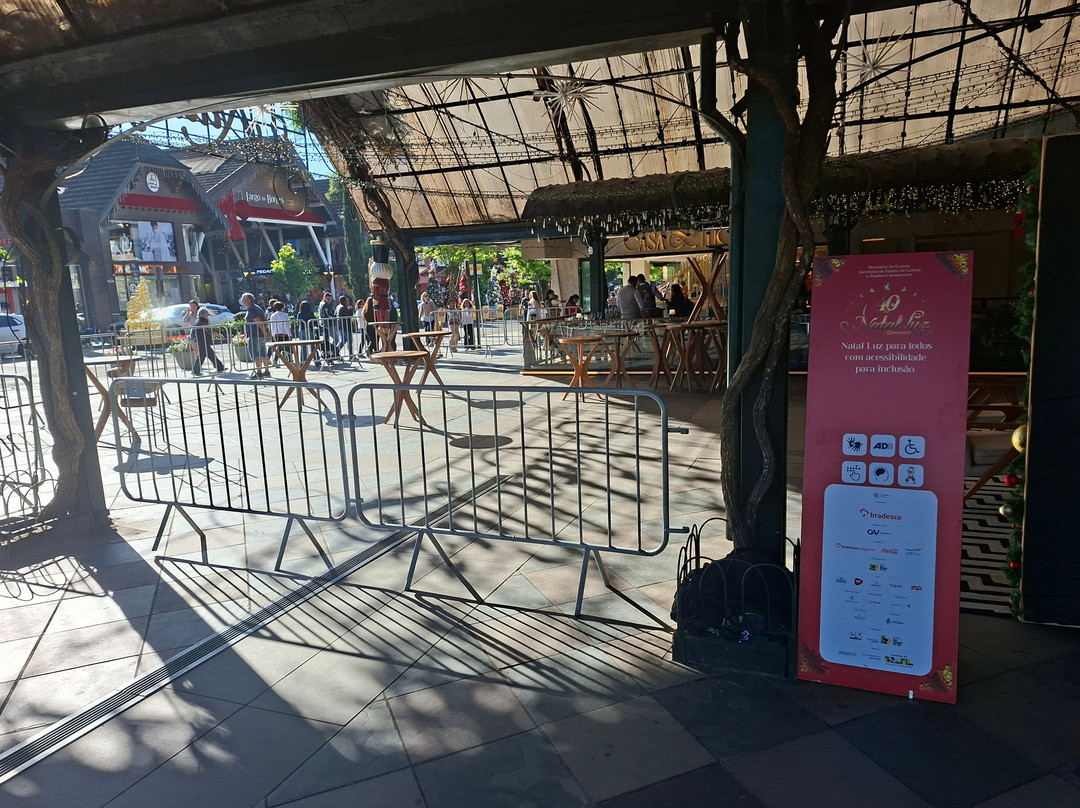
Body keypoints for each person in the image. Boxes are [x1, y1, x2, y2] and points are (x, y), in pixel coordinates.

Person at [240, 292, 270, 379]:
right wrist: (264, 330)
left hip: (254, 335)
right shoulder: (258, 307)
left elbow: (258, 321)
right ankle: (267, 371)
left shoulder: (251, 309)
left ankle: (259, 372)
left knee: (256, 354)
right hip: (259, 335)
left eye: (243, 299)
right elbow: (265, 320)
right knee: (263, 353)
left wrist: (263, 331)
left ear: (248, 300)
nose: (242, 301)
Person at [189, 307, 225, 377]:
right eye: (207, 314)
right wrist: (219, 335)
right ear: (203, 315)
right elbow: (209, 331)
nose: (208, 315)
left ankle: (220, 367)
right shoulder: (202, 322)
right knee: (203, 355)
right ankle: (196, 370)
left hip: (202, 340)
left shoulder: (199, 321)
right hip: (203, 341)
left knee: (209, 354)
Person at [268, 301, 291, 366]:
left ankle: (275, 359)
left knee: (279, 347)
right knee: (286, 347)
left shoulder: (273, 315)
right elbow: (287, 325)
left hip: (277, 333)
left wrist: (273, 334)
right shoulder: (285, 315)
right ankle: (279, 359)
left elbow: (272, 325)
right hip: (285, 333)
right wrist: (289, 334)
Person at [295, 299, 317, 363]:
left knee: (303, 346)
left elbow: (298, 322)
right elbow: (314, 321)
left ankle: (303, 360)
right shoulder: (310, 313)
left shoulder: (299, 313)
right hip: (309, 330)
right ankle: (316, 359)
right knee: (312, 346)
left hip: (302, 330)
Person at [318, 291, 338, 360]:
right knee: (336, 339)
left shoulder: (323, 303)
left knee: (327, 340)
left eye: (330, 299)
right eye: (328, 299)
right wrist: (333, 318)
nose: (329, 300)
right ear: (325, 298)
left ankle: (330, 352)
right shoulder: (325, 304)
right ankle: (333, 351)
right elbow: (326, 314)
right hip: (328, 323)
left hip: (325, 323)